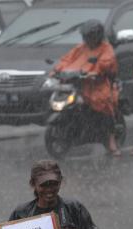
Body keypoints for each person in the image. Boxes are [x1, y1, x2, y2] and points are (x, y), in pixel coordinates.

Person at [52, 20, 121, 156]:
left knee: (104, 105)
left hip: (100, 84)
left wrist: (94, 72)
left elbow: (106, 63)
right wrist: (57, 70)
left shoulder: (106, 48)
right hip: (80, 84)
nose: (87, 40)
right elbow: (67, 59)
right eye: (85, 37)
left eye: (89, 36)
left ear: (97, 36)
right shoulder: (80, 48)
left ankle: (111, 141)